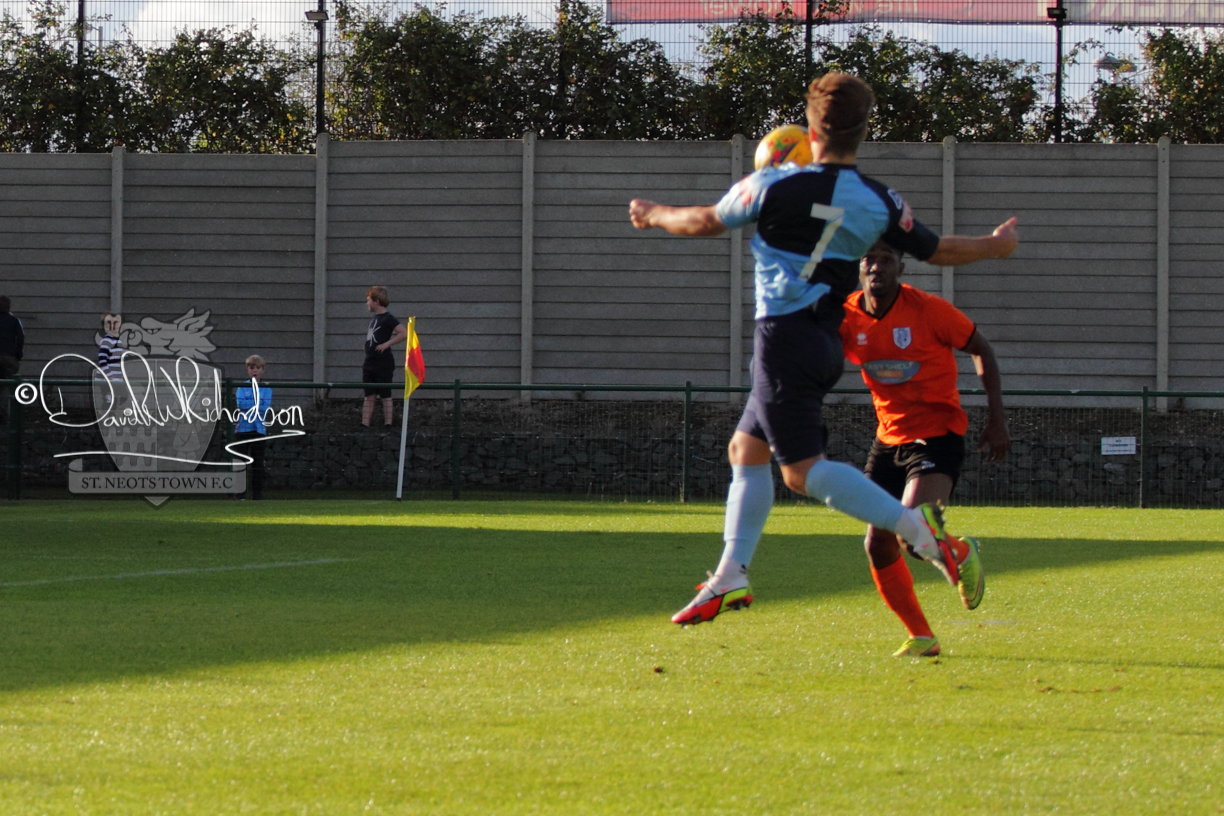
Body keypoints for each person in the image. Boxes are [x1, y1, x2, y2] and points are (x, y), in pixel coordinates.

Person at [628, 73, 1019, 627]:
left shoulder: (771, 185)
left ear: (810, 131)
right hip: (823, 342)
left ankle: (929, 538)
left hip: (784, 340)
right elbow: (938, 250)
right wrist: (997, 247)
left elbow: (704, 221)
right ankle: (730, 574)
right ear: (864, 131)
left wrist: (654, 213)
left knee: (801, 473)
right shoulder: (881, 201)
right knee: (746, 450)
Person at [841, 240, 1011, 657]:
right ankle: (922, 636)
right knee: (877, 543)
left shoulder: (928, 310)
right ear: (859, 267)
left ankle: (963, 553)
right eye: (869, 259)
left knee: (912, 531)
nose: (876, 266)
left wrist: (997, 418)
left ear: (901, 267)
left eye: (886, 259)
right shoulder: (846, 315)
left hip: (937, 433)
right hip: (888, 439)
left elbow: (981, 348)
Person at [362, 286, 407, 428]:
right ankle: (365, 424)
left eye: (368, 300)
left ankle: (388, 424)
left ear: (376, 301)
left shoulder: (388, 318)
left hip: (383, 362)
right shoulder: (374, 318)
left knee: (385, 394)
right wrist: (367, 345)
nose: (367, 303)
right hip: (370, 361)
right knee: (369, 395)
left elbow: (403, 333)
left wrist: (387, 344)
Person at [233, 355, 272, 500]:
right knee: (241, 462)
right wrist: (257, 404)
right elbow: (240, 405)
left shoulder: (267, 388)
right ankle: (239, 494)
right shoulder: (242, 387)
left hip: (259, 429)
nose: (255, 370)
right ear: (247, 370)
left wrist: (252, 405)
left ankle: (257, 494)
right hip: (242, 429)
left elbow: (265, 407)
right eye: (252, 368)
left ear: (262, 370)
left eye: (258, 368)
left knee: (258, 463)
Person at [0, 295, 25, 424]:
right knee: (6, 384)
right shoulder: (14, 321)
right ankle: (5, 416)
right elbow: (21, 338)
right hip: (8, 357)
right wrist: (18, 355)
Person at [97, 313, 124, 380]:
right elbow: (102, 360)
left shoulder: (118, 341)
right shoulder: (106, 341)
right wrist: (110, 377)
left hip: (117, 378)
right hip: (105, 379)